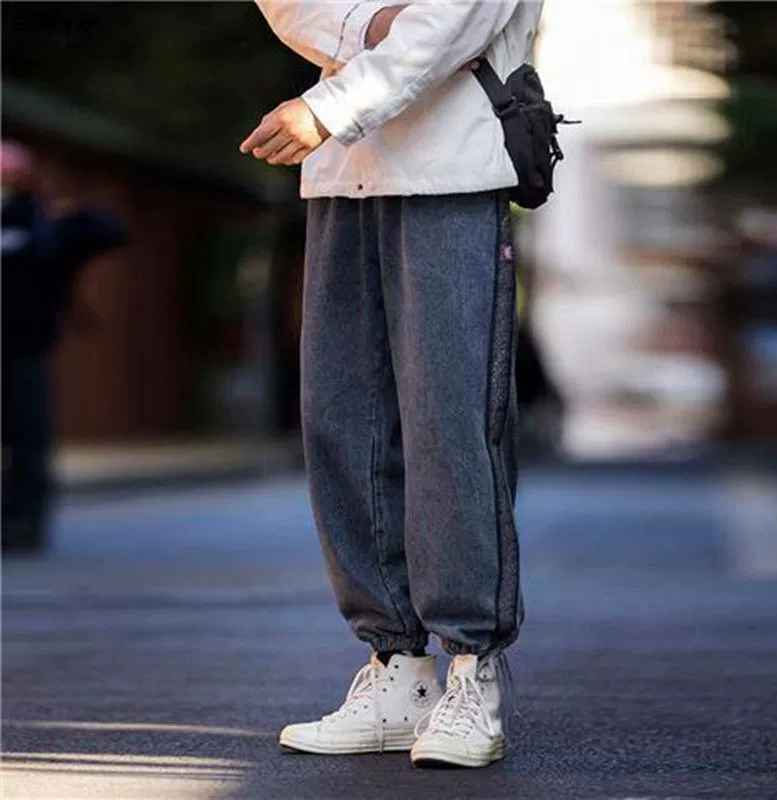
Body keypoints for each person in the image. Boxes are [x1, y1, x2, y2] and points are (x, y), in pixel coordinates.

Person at [241, 0, 545, 768]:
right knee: (342, 421)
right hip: (341, 173)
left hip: (454, 163)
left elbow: (453, 20)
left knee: (452, 422)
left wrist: (332, 100)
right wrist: (372, 22)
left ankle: (473, 669)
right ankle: (398, 668)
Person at [1, 141, 126, 555]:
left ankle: (23, 526)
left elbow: (110, 231)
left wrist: (61, 216)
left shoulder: (40, 221)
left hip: (25, 348)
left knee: (27, 442)